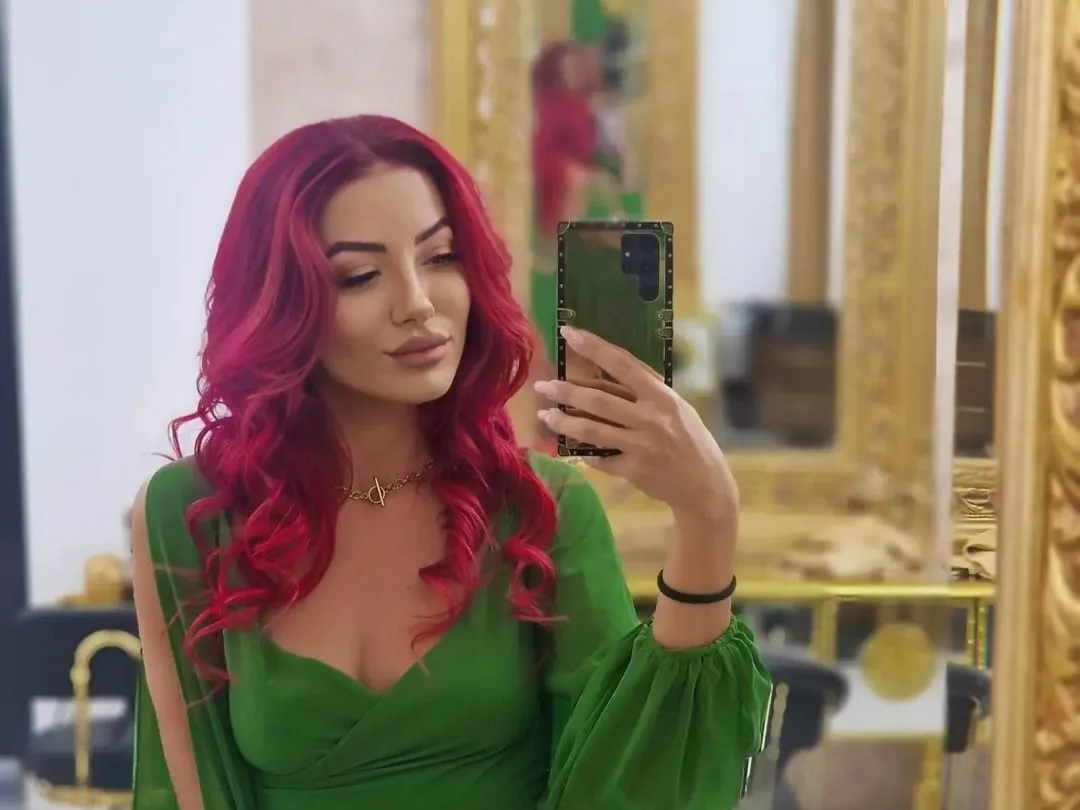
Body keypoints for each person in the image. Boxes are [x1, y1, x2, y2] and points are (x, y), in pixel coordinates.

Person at [130, 114, 771, 810]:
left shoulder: (540, 507)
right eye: (360, 275)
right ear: (280, 303)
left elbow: (632, 782)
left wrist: (708, 515)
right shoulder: (190, 513)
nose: (417, 303)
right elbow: (194, 789)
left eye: (440, 258)